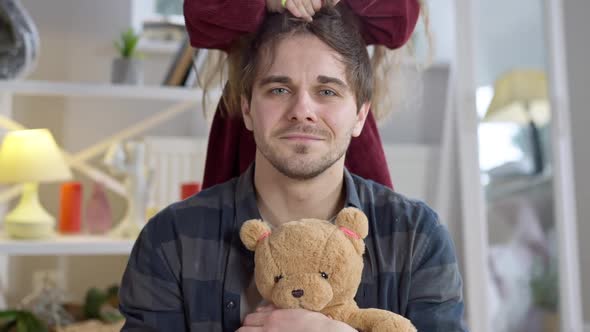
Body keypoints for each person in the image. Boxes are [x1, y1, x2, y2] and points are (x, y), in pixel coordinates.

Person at [119, 2, 467, 332]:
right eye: (279, 89)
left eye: (327, 92)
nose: (302, 110)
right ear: (247, 109)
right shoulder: (171, 240)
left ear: (361, 115)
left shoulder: (417, 238)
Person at [188, 0, 424, 190]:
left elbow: (401, 19)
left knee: (364, 238)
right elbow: (199, 13)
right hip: (254, 119)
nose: (302, 111)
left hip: (339, 121)